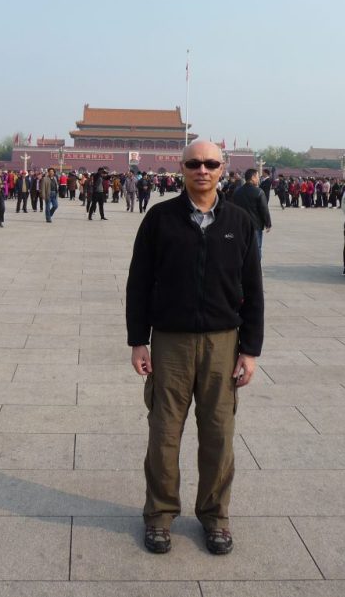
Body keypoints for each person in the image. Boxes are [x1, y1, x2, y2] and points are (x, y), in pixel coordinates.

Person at [126, 140, 264, 556]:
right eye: (193, 163)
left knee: (219, 434)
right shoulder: (159, 219)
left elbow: (253, 291)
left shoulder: (239, 222)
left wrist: (250, 349)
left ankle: (215, 515)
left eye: (210, 163)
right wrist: (138, 340)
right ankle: (159, 515)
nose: (201, 170)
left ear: (223, 169)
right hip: (170, 341)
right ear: (181, 168)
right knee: (164, 432)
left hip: (223, 342)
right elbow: (138, 284)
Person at [232, 168, 272, 259]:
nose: (258, 179)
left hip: (240, 226)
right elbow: (264, 209)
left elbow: (233, 209)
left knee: (242, 248)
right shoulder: (259, 192)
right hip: (255, 226)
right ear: (253, 177)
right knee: (256, 248)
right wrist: (268, 223)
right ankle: (256, 270)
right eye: (257, 176)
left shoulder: (237, 192)